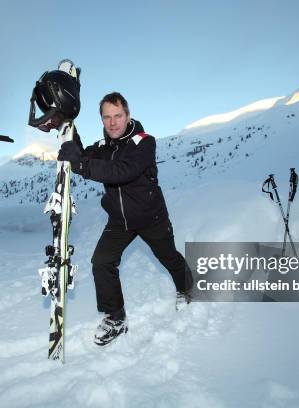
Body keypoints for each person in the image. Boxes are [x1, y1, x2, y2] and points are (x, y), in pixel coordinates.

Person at [57, 92, 193, 346]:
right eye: (107, 117)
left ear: (128, 115)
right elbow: (83, 156)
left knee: (168, 257)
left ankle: (186, 288)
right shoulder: (102, 146)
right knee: (101, 261)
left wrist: (83, 165)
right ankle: (116, 317)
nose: (113, 123)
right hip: (120, 221)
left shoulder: (144, 142)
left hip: (150, 217)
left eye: (118, 116)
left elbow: (122, 171)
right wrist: (69, 137)